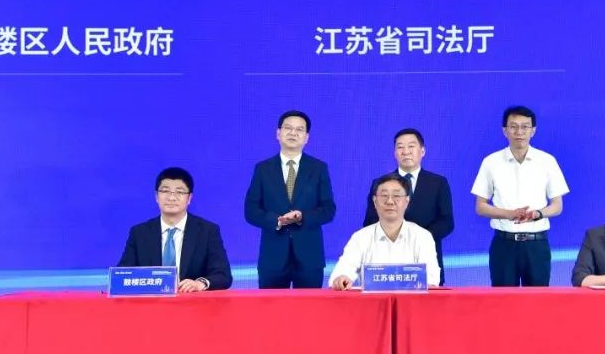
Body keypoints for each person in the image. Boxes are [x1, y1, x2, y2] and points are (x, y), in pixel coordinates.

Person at [471, 106, 569, 287]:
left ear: (533, 131)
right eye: (513, 126)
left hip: (536, 244)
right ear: (505, 131)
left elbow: (557, 206)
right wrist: (509, 214)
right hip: (504, 244)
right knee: (503, 301)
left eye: (525, 127)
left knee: (538, 300)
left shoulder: (547, 161)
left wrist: (537, 214)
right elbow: (480, 206)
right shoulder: (491, 162)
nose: (519, 132)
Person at [245, 110, 336, 288]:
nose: (293, 133)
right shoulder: (263, 169)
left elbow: (328, 209)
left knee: (310, 306)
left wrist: (302, 217)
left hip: (310, 257)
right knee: (272, 306)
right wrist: (277, 221)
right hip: (272, 257)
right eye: (288, 128)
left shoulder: (318, 168)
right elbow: (251, 210)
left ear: (306, 138)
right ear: (278, 133)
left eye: (299, 129)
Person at [117, 166, 232, 291]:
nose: (171, 198)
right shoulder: (139, 233)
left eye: (179, 192)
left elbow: (223, 275)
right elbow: (122, 275)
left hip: (191, 301)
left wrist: (200, 283)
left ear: (189, 198)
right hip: (151, 301)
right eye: (165, 191)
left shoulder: (207, 231)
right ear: (156, 196)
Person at [362, 128, 454, 284]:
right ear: (395, 153)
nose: (406, 152)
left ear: (422, 151)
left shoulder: (438, 183)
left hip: (425, 260)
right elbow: (370, 221)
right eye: (400, 147)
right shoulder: (380, 184)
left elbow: (447, 222)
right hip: (387, 263)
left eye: (411, 146)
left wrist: (418, 238)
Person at [330, 173, 439, 290]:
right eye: (384, 195)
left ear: (407, 201)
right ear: (375, 201)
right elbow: (341, 273)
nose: (390, 201)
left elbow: (431, 279)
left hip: (412, 301)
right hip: (372, 301)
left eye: (396, 196)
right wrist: (341, 279)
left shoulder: (422, 236)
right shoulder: (360, 237)